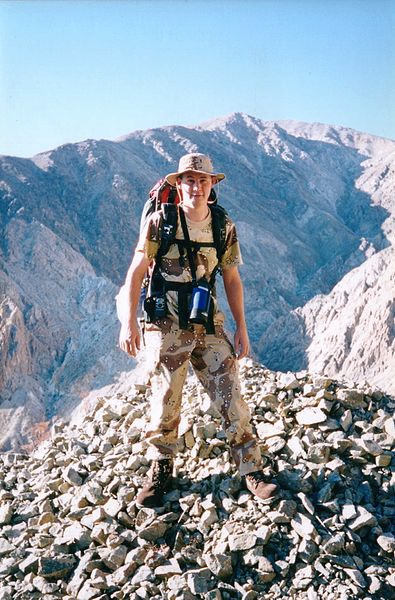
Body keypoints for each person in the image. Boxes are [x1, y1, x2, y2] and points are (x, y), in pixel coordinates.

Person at [119, 153, 277, 507]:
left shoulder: (223, 225)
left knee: (230, 392)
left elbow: (232, 279)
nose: (196, 186)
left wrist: (241, 328)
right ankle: (161, 468)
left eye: (203, 180)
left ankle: (250, 468)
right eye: (190, 180)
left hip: (207, 320)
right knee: (166, 397)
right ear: (179, 185)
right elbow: (136, 271)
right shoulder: (161, 222)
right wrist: (129, 322)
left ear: (212, 185)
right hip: (165, 322)